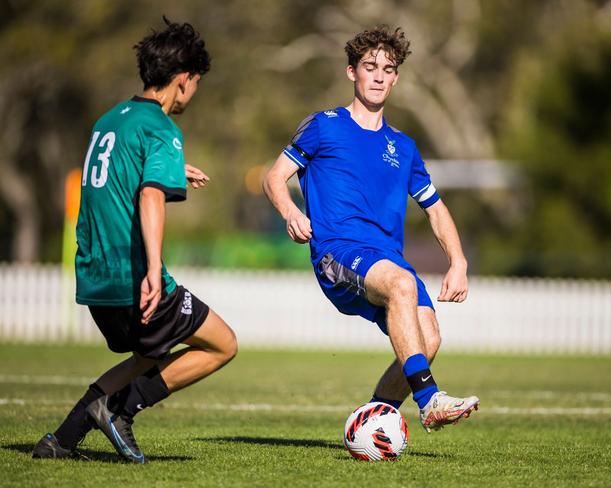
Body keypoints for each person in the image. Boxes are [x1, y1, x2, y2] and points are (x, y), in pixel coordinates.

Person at [33, 18, 237, 464]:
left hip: (94, 277)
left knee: (146, 355)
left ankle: (62, 440)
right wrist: (152, 270)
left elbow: (115, 180)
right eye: (196, 83)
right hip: (133, 275)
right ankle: (119, 411)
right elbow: (148, 196)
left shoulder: (111, 120)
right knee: (222, 344)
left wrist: (170, 170)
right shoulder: (160, 128)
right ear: (184, 80)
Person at [263, 25, 479, 433]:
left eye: (388, 69)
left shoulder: (405, 147)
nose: (379, 76)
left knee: (427, 341)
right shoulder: (324, 126)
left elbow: (434, 208)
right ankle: (429, 400)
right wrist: (290, 212)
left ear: (396, 78)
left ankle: (372, 421)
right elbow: (274, 177)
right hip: (338, 251)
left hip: (386, 259)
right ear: (352, 72)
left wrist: (459, 261)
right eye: (370, 66)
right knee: (401, 285)